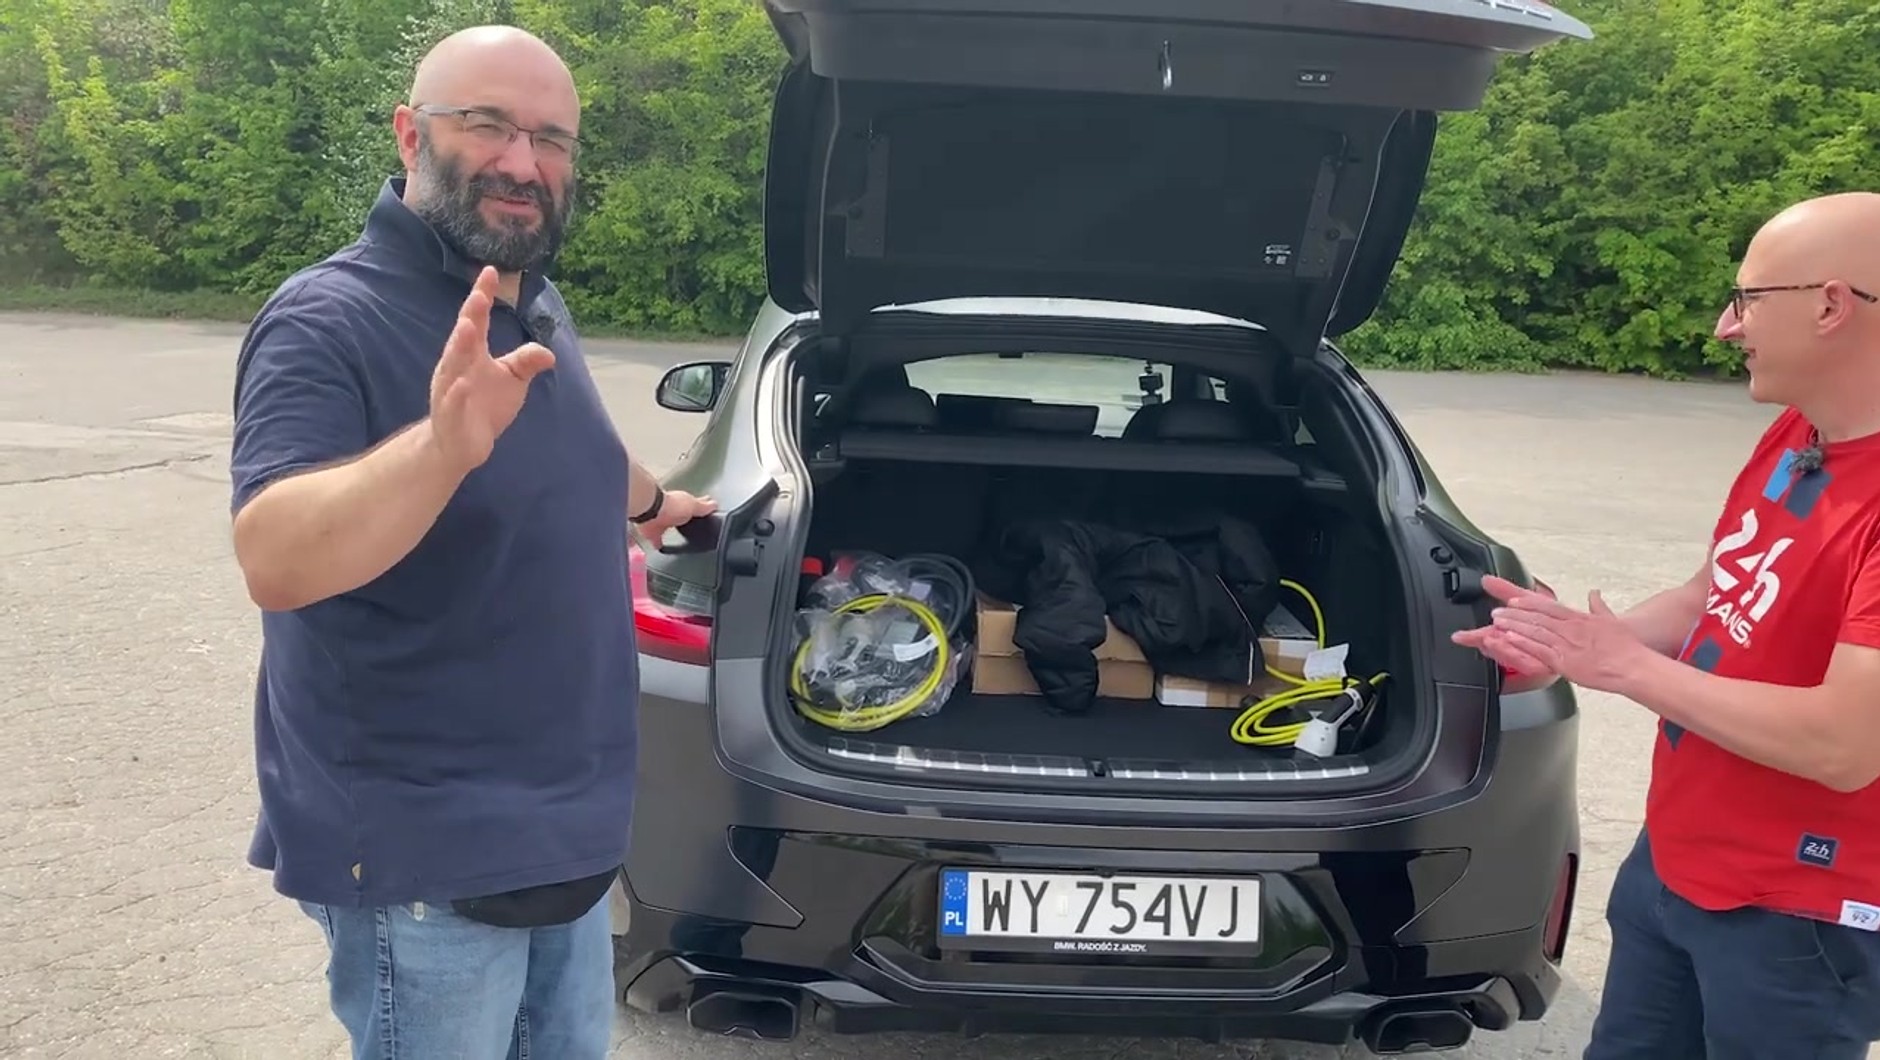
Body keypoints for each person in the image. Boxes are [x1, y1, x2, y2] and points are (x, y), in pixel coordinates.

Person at [226, 25, 715, 1060]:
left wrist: (652, 504)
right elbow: (274, 555)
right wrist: (440, 450)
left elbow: (578, 446)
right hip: (427, 855)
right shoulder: (326, 319)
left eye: (551, 138)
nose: (523, 162)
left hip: (564, 831)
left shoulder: (529, 301)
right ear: (411, 134)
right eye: (488, 125)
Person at [1453, 191, 1880, 1059]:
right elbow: (1710, 596)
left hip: (1798, 912)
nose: (1726, 326)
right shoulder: (1800, 433)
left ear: (1831, 305)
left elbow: (1845, 745)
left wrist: (1626, 668)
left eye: (1747, 298)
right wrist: (1569, 644)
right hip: (1677, 864)